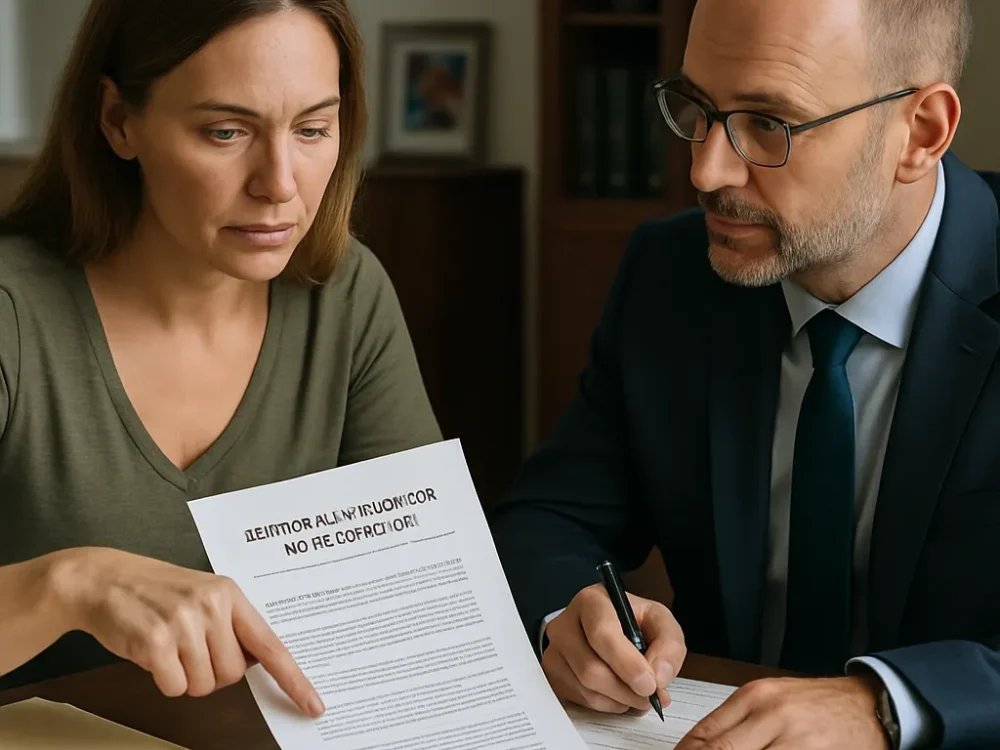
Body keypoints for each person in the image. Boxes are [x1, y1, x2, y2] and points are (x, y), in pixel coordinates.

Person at [490, 0, 1000, 747]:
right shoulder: (669, 275)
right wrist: (569, 614)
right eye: (697, 107)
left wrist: (886, 705)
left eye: (770, 124)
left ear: (920, 133)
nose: (704, 168)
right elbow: (547, 520)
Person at [0, 0, 441, 714]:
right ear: (118, 120)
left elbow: (422, 597)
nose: (279, 183)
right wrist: (70, 585)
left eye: (312, 129)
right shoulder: (11, 312)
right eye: (226, 131)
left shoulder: (346, 291)